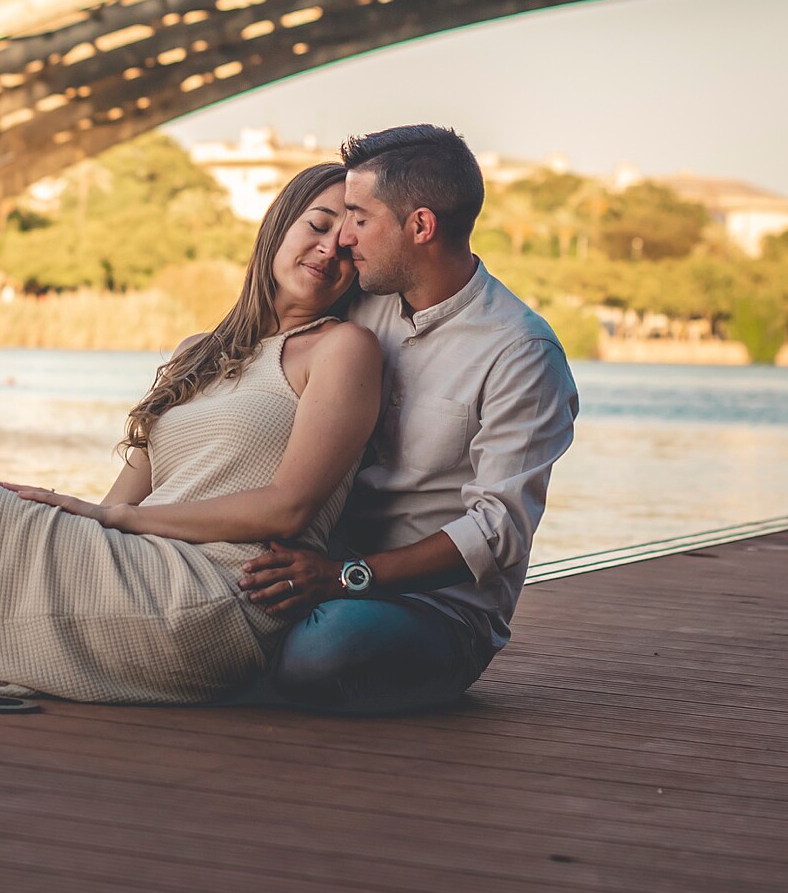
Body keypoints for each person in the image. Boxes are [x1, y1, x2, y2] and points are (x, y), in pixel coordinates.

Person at [0, 164, 381, 704]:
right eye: (318, 226)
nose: (330, 250)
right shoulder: (199, 352)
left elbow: (289, 505)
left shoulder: (343, 351)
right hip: (136, 568)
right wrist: (88, 519)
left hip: (212, 596)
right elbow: (120, 501)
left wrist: (117, 522)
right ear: (278, 230)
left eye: (349, 247)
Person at [237, 125, 580, 714]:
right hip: (313, 564)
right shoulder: (359, 301)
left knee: (319, 650)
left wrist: (346, 575)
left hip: (435, 613)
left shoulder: (520, 351)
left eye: (359, 217)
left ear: (420, 226)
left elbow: (498, 529)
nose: (343, 237)